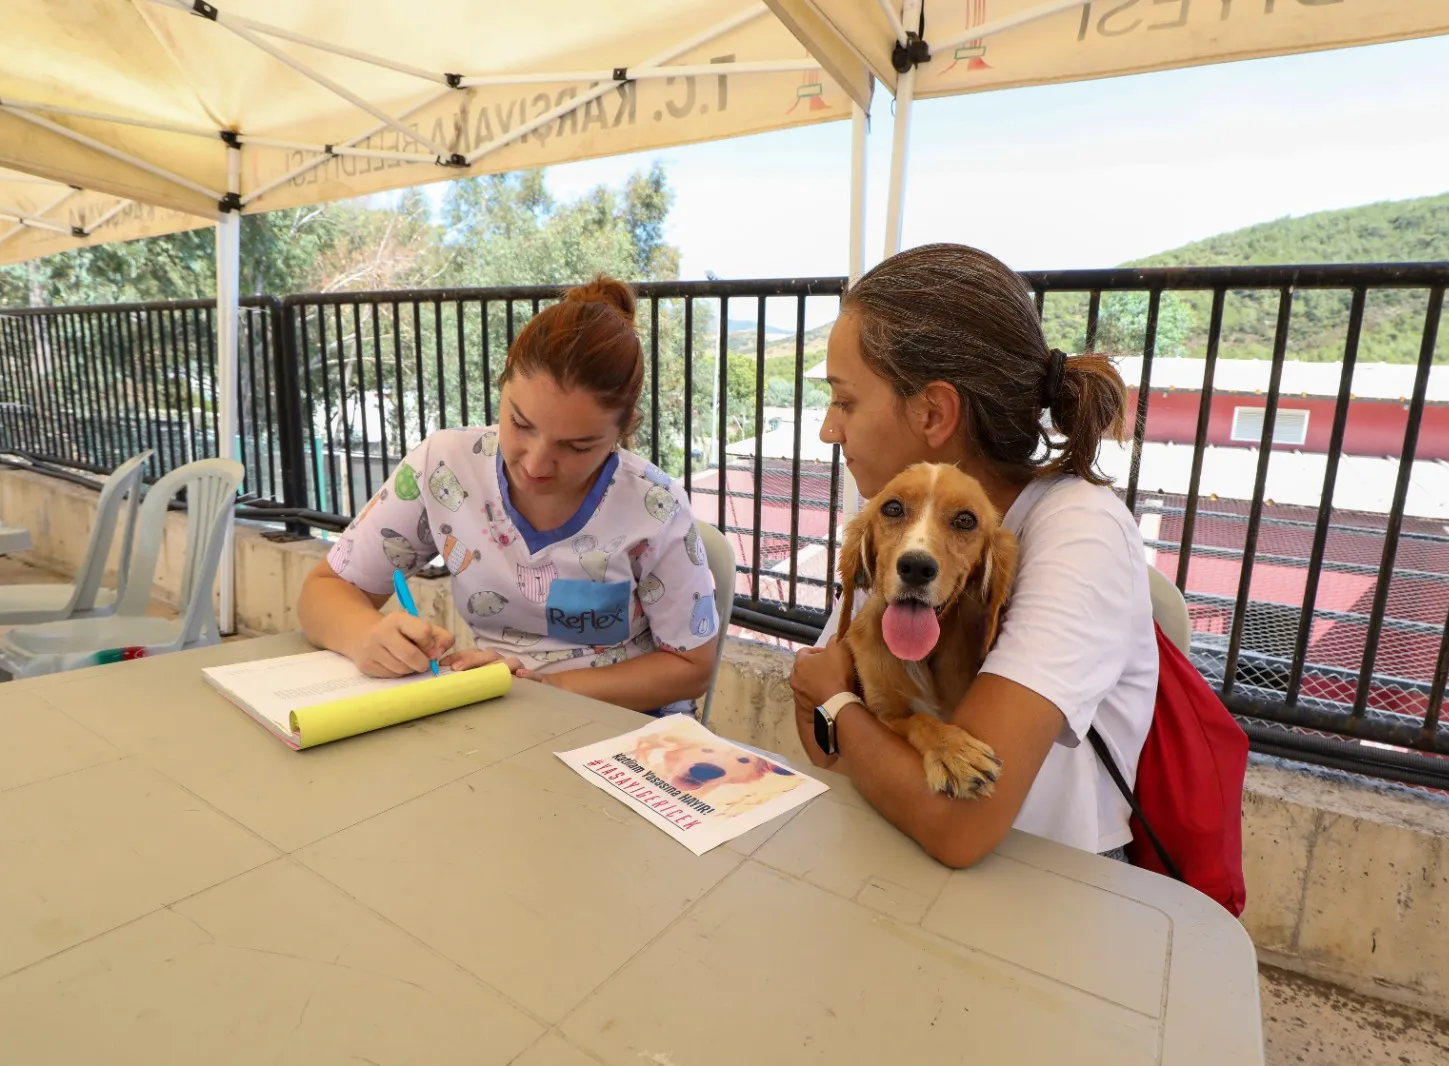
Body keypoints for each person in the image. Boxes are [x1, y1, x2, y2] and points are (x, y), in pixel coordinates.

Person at [789, 243, 1158, 868]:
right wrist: (847, 719)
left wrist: (840, 707)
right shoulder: (897, 520)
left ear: (933, 411)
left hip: (1052, 886)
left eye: (845, 401)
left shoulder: (1080, 532)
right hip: (891, 851)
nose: (830, 429)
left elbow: (957, 823)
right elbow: (816, 739)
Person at [297, 275, 720, 716]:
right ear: (504, 380)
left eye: (577, 447)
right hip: (494, 717)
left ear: (625, 427)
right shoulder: (445, 468)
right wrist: (366, 635)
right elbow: (325, 591)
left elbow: (691, 666)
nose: (535, 465)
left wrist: (544, 688)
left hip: (623, 728)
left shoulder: (654, 505)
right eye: (520, 423)